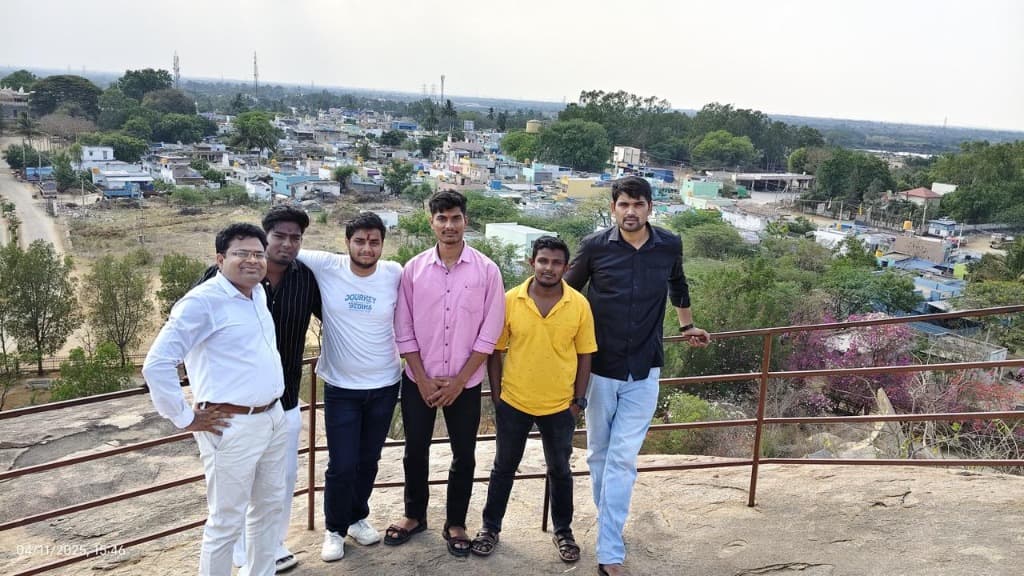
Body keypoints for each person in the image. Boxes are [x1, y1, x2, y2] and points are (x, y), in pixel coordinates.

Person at [564, 176, 711, 576]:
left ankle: (609, 549)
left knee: (623, 459)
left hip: (645, 367)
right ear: (614, 207)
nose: (631, 212)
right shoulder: (595, 247)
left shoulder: (668, 244)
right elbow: (566, 294)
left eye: (639, 204)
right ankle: (611, 526)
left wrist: (686, 327)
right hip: (598, 369)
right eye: (624, 204)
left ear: (650, 207)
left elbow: (678, 285)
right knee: (599, 455)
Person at [143, 223, 289, 576]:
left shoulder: (257, 294)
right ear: (221, 258)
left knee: (268, 508)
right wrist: (183, 417)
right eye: (242, 253)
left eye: (258, 254)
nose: (253, 261)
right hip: (231, 425)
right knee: (226, 520)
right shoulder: (202, 302)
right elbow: (157, 363)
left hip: (272, 417)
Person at [198, 206, 321, 574]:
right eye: (279, 236)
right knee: (231, 498)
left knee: (277, 487)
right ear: (265, 237)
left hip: (282, 403)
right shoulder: (221, 279)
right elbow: (191, 334)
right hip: (232, 409)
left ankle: (271, 547)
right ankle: (236, 553)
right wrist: (197, 400)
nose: (287, 243)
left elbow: (335, 320)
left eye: (295, 237)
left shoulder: (305, 280)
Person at [388, 190, 505, 557]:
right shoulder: (413, 270)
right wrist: (421, 377)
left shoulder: (487, 270)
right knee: (414, 450)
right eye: (442, 219)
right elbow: (403, 327)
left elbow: (490, 333)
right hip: (418, 380)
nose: (449, 225)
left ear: (465, 220)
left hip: (465, 382)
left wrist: (458, 381)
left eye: (455, 218)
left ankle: (456, 522)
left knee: (464, 454)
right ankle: (414, 515)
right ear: (431, 222)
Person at [470, 236, 597, 562]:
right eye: (543, 261)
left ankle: (563, 532)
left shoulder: (578, 304)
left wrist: (578, 401)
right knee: (503, 468)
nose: (549, 268)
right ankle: (490, 528)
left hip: (559, 406)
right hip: (514, 402)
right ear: (532, 263)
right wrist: (498, 395)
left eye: (556, 263)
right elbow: (495, 350)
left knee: (560, 470)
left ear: (566, 268)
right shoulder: (511, 299)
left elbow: (585, 356)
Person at [295, 213, 403, 563]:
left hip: (385, 384)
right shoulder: (327, 265)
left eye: (374, 242)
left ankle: (357, 517)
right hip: (341, 387)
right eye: (360, 241)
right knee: (342, 464)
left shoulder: (394, 273)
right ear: (347, 242)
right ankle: (334, 529)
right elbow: (282, 247)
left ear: (382, 245)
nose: (367, 248)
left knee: (368, 460)